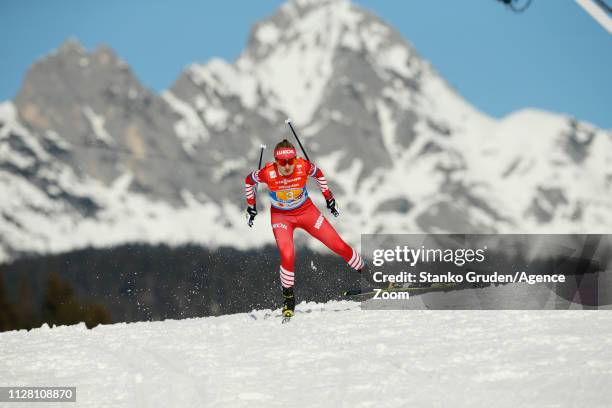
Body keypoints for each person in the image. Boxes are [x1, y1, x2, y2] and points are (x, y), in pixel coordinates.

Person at [244, 139, 364, 318]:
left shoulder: (303, 166)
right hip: (281, 217)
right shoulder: (267, 172)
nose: (286, 166)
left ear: (296, 158)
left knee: (338, 245)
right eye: (282, 162)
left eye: (290, 160)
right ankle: (288, 300)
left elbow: (319, 174)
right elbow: (249, 180)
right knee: (287, 254)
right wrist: (251, 206)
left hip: (307, 212)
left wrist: (329, 199)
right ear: (275, 161)